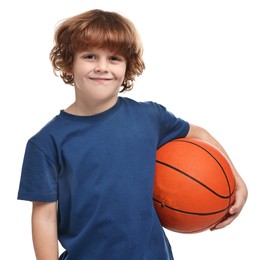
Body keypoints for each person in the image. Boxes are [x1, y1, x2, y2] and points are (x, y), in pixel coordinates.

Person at [17, 9, 248, 260]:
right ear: (69, 63)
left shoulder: (149, 117)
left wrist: (237, 181)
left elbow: (199, 134)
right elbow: (45, 217)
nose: (102, 67)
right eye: (90, 56)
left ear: (128, 68)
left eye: (114, 58)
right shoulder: (46, 143)